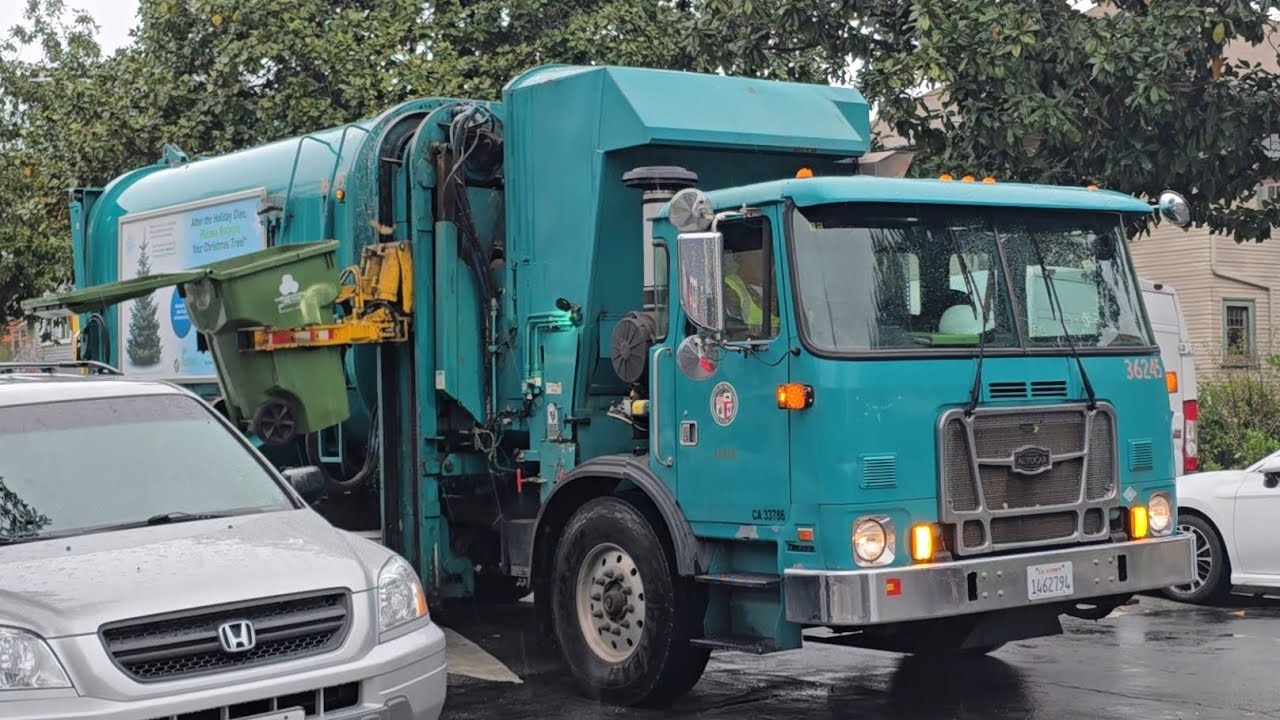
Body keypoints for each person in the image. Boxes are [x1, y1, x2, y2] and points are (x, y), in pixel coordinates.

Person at [722, 249, 779, 339]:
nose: (765, 263)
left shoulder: (754, 285)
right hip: (755, 344)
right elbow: (735, 329)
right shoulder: (727, 286)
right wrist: (776, 330)